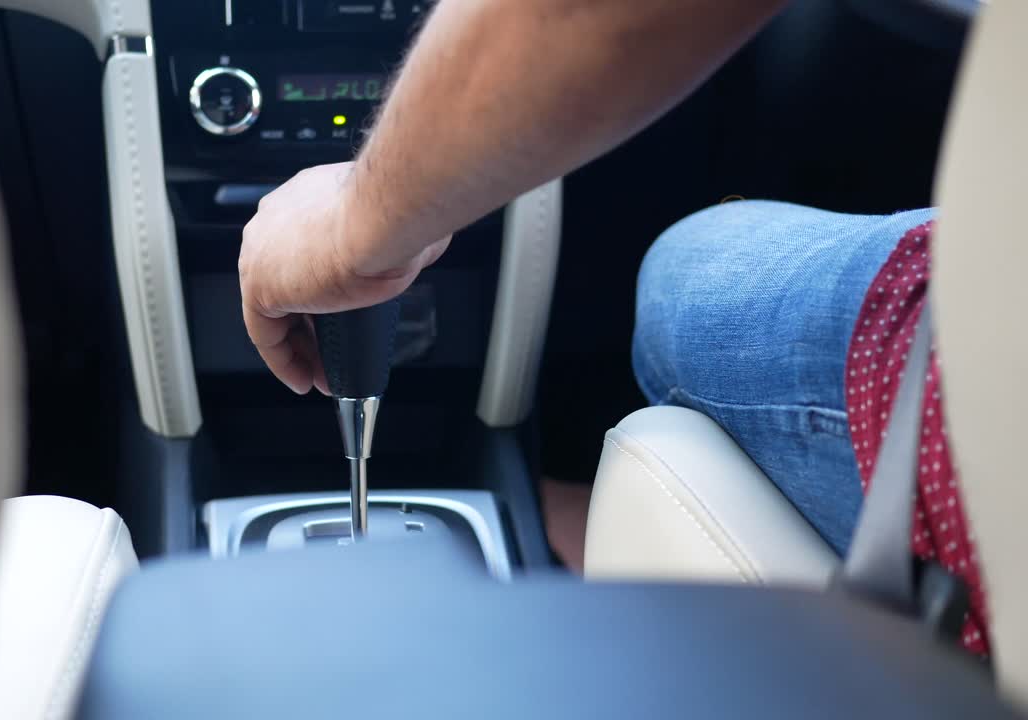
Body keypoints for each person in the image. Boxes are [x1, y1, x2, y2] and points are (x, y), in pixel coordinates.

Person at [237, 0, 988, 655]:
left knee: (684, 265)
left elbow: (578, 12)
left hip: (983, 406)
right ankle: (558, 494)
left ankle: (564, 496)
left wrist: (354, 227)